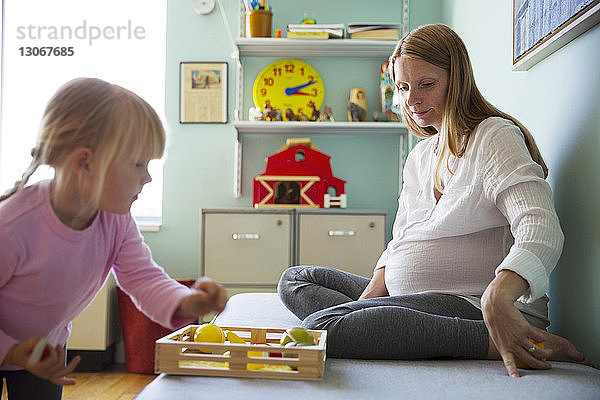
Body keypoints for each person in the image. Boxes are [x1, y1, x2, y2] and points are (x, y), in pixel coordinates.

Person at [278, 24, 593, 378]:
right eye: (403, 88)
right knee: (295, 280)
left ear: (456, 79)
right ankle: (383, 324)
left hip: (470, 302)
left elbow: (540, 226)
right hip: (414, 296)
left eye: (426, 84)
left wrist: (497, 295)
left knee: (322, 326)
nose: (412, 100)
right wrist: (365, 308)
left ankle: (498, 339)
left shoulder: (494, 137)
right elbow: (400, 243)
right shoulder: (421, 155)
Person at [0, 77, 227, 399]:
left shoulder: (116, 220)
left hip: (44, 350)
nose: (147, 177)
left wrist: (186, 300)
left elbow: (143, 278)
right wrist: (10, 350)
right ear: (85, 163)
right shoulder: (11, 227)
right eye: (138, 164)